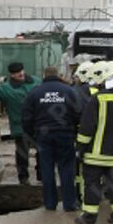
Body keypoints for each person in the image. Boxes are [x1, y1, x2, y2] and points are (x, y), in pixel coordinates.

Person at [22, 66, 81, 211]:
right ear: (58, 75)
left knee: (47, 169)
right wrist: (74, 131)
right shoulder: (69, 91)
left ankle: (50, 204)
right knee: (67, 169)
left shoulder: (35, 92)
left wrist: (32, 135)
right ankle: (69, 204)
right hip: (65, 134)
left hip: (43, 136)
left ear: (43, 75)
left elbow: (26, 117)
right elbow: (78, 113)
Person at [75, 61, 113, 224]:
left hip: (95, 155)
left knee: (92, 185)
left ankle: (89, 217)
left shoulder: (98, 98)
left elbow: (87, 127)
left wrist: (80, 149)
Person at [0, 62, 42, 185]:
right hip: (20, 126)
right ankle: (23, 178)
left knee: (42, 152)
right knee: (22, 154)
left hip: (38, 125)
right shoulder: (6, 88)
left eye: (21, 71)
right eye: (17, 73)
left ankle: (42, 175)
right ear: (12, 75)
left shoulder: (36, 81)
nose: (20, 74)